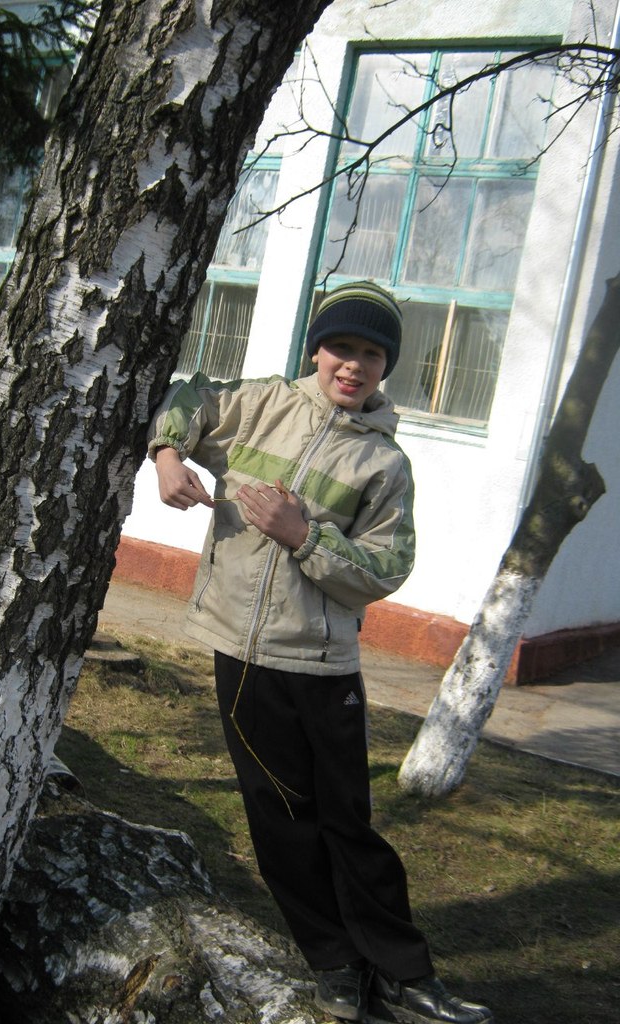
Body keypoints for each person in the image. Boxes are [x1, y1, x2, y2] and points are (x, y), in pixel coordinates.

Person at [148, 280, 493, 1024]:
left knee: (348, 823)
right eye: (342, 347)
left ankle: (403, 975)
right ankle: (334, 963)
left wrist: (303, 536)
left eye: (372, 353)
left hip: (323, 665)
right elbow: (189, 396)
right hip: (242, 655)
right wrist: (168, 455)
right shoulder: (263, 405)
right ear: (317, 350)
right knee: (278, 818)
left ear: (385, 367)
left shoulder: (384, 464)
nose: (354, 364)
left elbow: (385, 568)